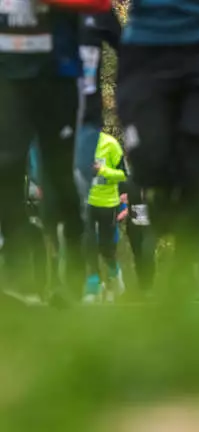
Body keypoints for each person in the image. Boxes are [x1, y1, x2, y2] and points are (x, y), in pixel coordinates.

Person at [116, 0, 199, 300]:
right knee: (148, 160)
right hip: (147, 42)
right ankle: (159, 195)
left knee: (195, 157)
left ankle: (185, 273)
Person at [0, 1, 90, 301]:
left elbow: (99, 3)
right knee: (6, 166)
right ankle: (17, 273)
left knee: (58, 174)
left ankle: (73, 260)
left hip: (56, 73)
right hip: (7, 77)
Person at [76, 11, 122, 215]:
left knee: (77, 187)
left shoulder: (98, 8)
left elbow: (129, 51)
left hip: (87, 118)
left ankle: (75, 242)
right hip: (42, 116)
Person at [84, 132, 127, 303]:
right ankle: (93, 285)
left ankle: (114, 277)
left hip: (108, 203)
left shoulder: (110, 144)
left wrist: (102, 170)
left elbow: (123, 174)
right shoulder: (80, 144)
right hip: (86, 202)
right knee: (87, 243)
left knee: (106, 247)